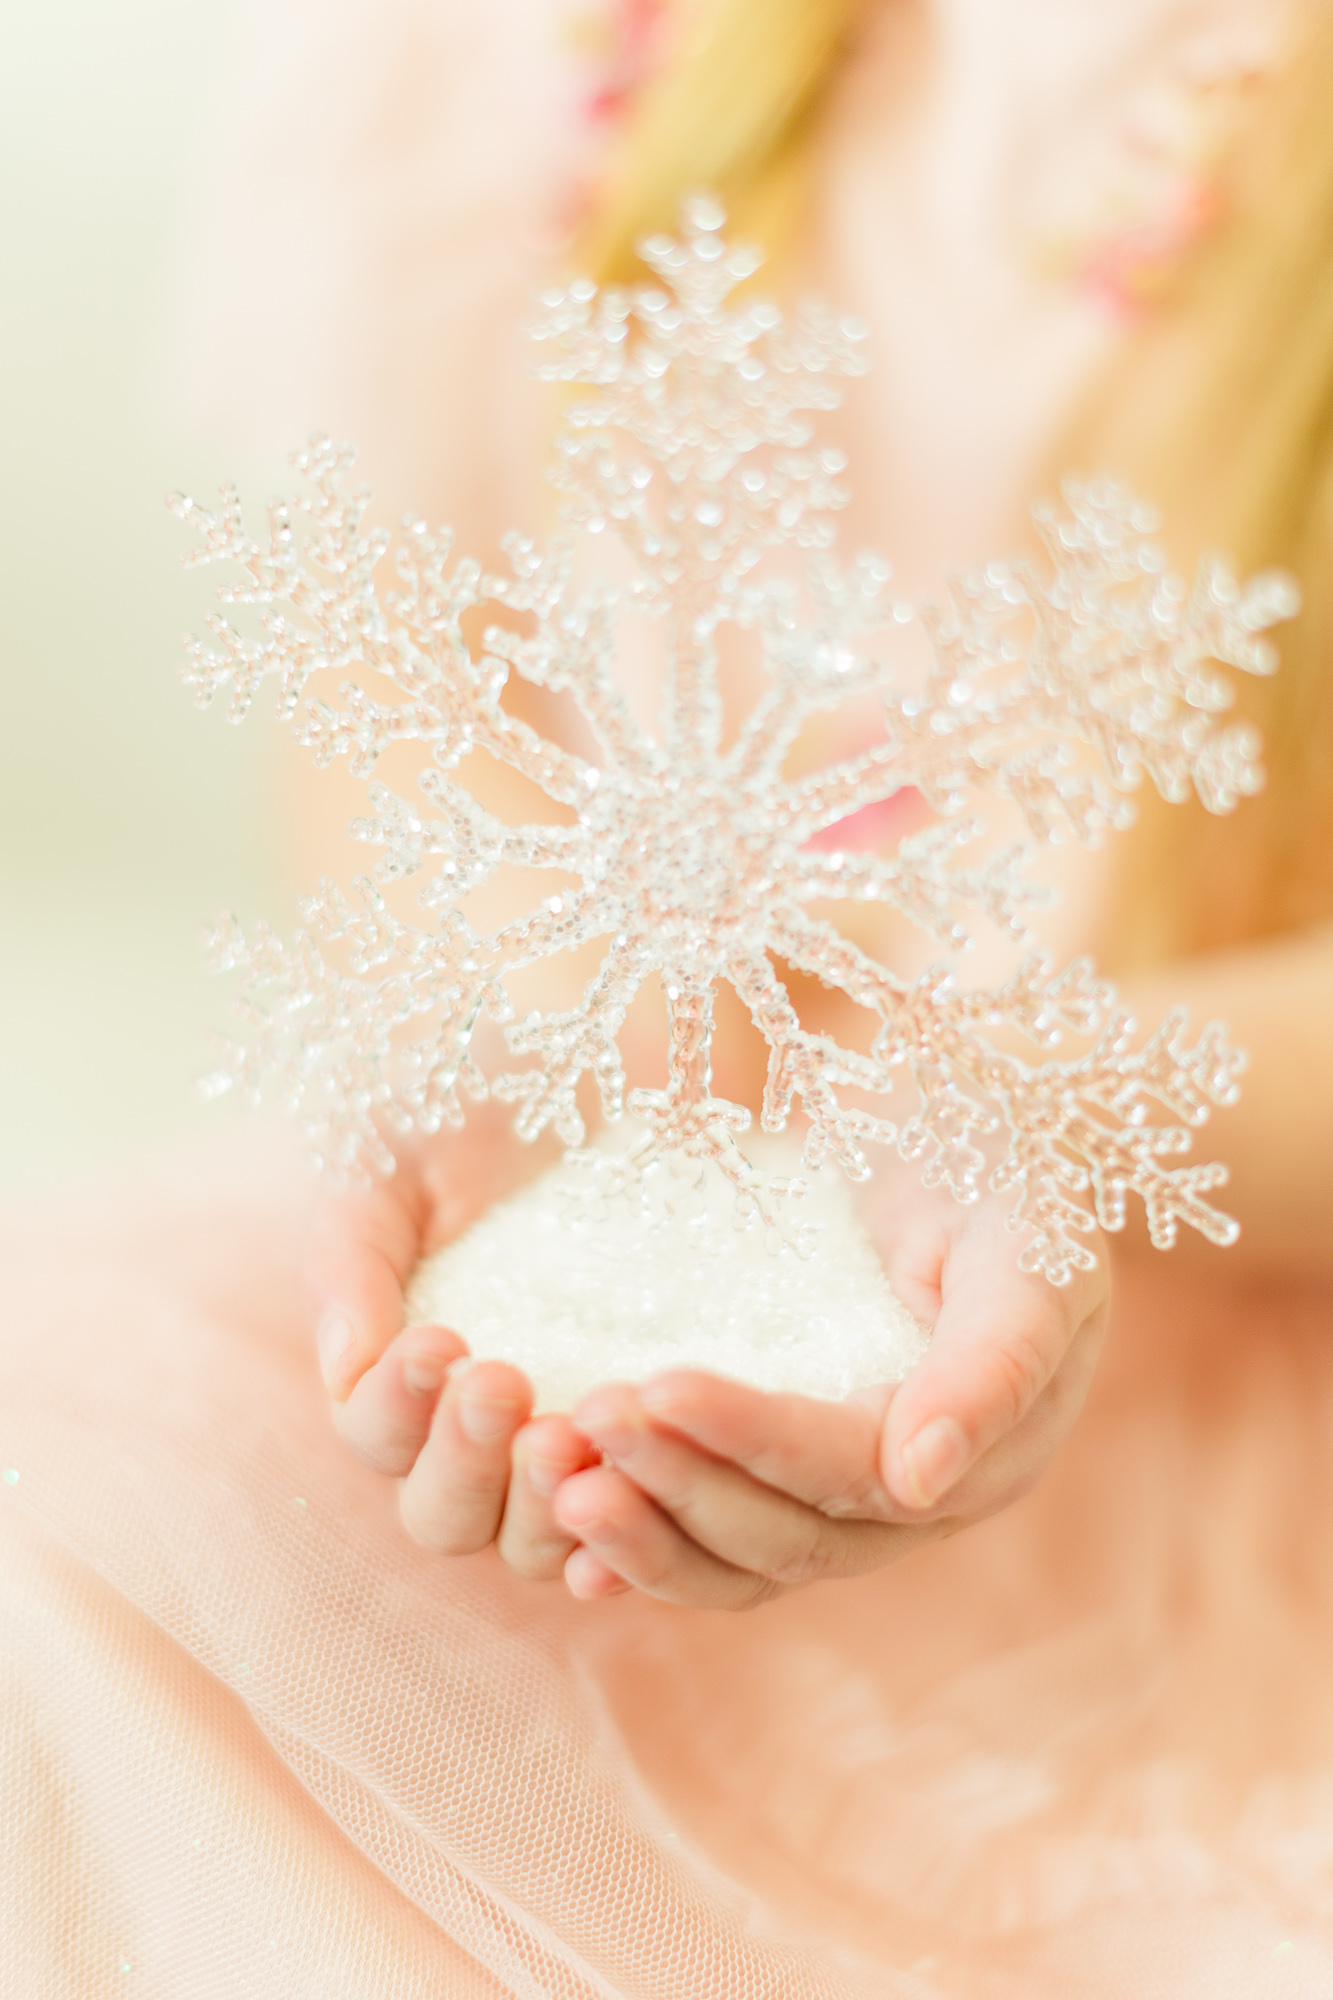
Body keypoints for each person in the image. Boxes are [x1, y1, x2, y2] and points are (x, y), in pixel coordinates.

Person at [4, 1, 1333, 1992]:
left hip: (1218, 1353)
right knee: (64, 1515)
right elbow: (399, 760)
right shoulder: (488, 62)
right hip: (588, 1151)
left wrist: (1020, 1104)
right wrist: (521, 1046)